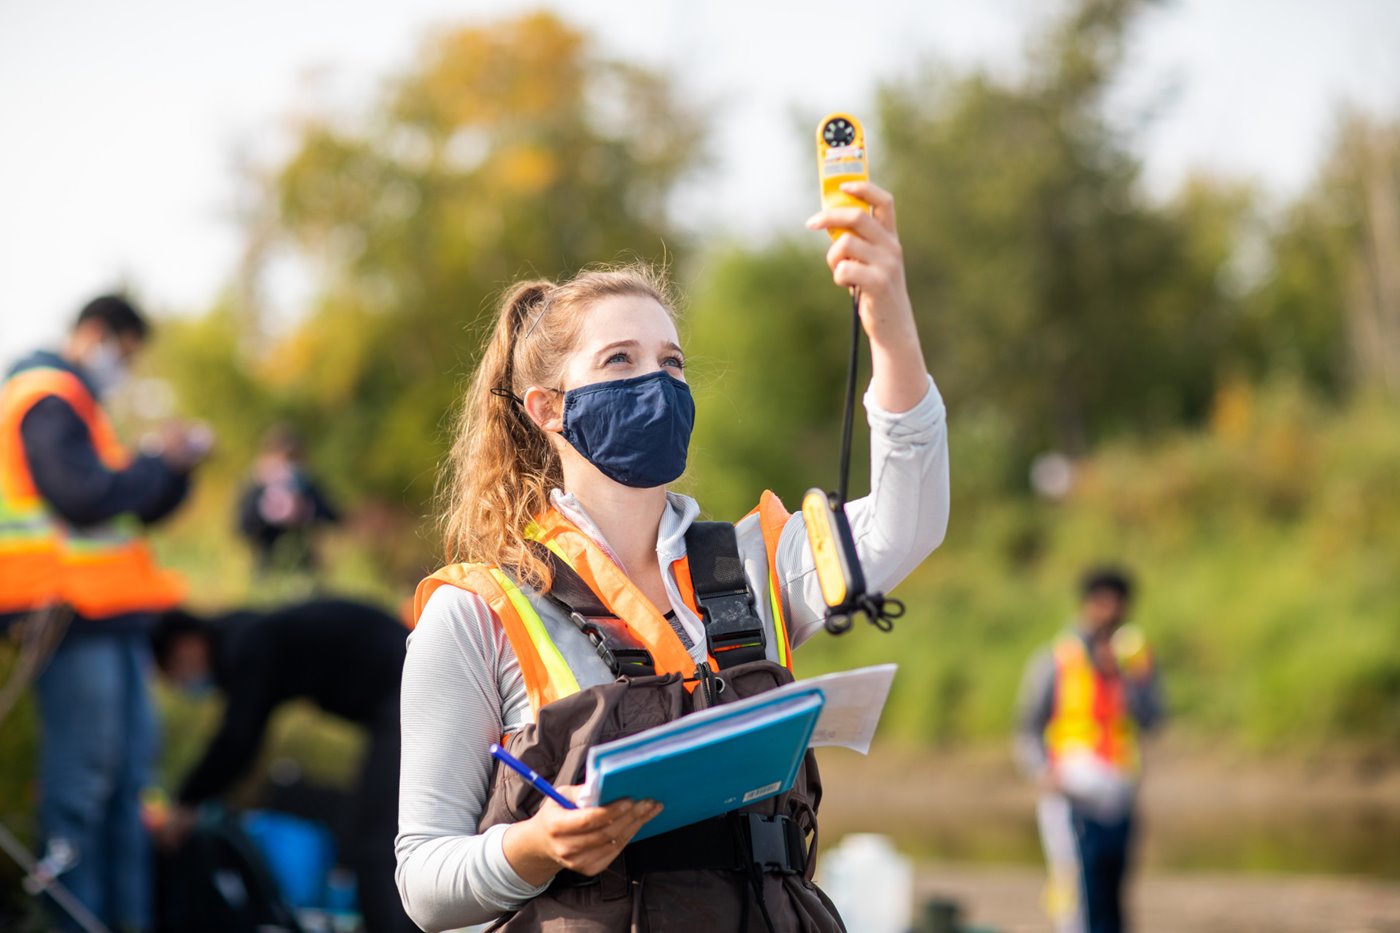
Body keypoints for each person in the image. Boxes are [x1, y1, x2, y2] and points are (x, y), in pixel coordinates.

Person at [395, 181, 950, 931]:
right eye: (620, 361)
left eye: (672, 361)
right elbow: (424, 883)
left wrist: (889, 324)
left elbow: (908, 521)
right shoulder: (476, 612)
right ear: (548, 408)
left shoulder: (757, 560)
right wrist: (534, 845)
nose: (655, 382)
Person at [0, 294, 207, 931]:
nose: (125, 365)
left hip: (108, 622)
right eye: (124, 351)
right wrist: (154, 462)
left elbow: (125, 505)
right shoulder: (45, 396)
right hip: (64, 620)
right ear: (95, 333)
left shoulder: (83, 411)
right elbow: (86, 497)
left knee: (126, 794)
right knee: (82, 794)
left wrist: (173, 471)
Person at [149, 599, 416, 933]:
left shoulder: (244, 645)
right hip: (401, 693)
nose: (181, 684)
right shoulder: (245, 632)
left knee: (379, 844)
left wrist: (187, 802)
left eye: (173, 671)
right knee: (372, 833)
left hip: (407, 693)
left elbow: (237, 740)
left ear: (187, 646)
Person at [1014, 567, 1164, 933]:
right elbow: (1027, 724)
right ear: (1088, 606)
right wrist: (1040, 772)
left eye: (1118, 605)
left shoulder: (1135, 662)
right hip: (1071, 790)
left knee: (1114, 889)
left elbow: (1152, 718)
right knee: (1078, 889)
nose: (1110, 612)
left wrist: (1134, 679)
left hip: (1119, 790)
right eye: (1103, 603)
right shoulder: (1056, 659)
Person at [236, 424, 339, 579]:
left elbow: (334, 517)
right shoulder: (256, 488)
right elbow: (242, 527)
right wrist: (268, 505)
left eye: (292, 459)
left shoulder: (307, 486)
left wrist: (305, 509)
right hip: (267, 569)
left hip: (305, 569)